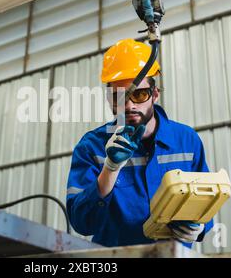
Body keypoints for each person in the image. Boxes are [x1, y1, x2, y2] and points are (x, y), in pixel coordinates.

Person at [66, 38, 213, 248]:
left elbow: (206, 202)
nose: (128, 105)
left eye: (139, 94)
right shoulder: (91, 147)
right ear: (109, 99)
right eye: (119, 97)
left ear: (154, 94)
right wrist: (110, 168)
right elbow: (82, 222)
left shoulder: (186, 141)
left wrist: (200, 228)